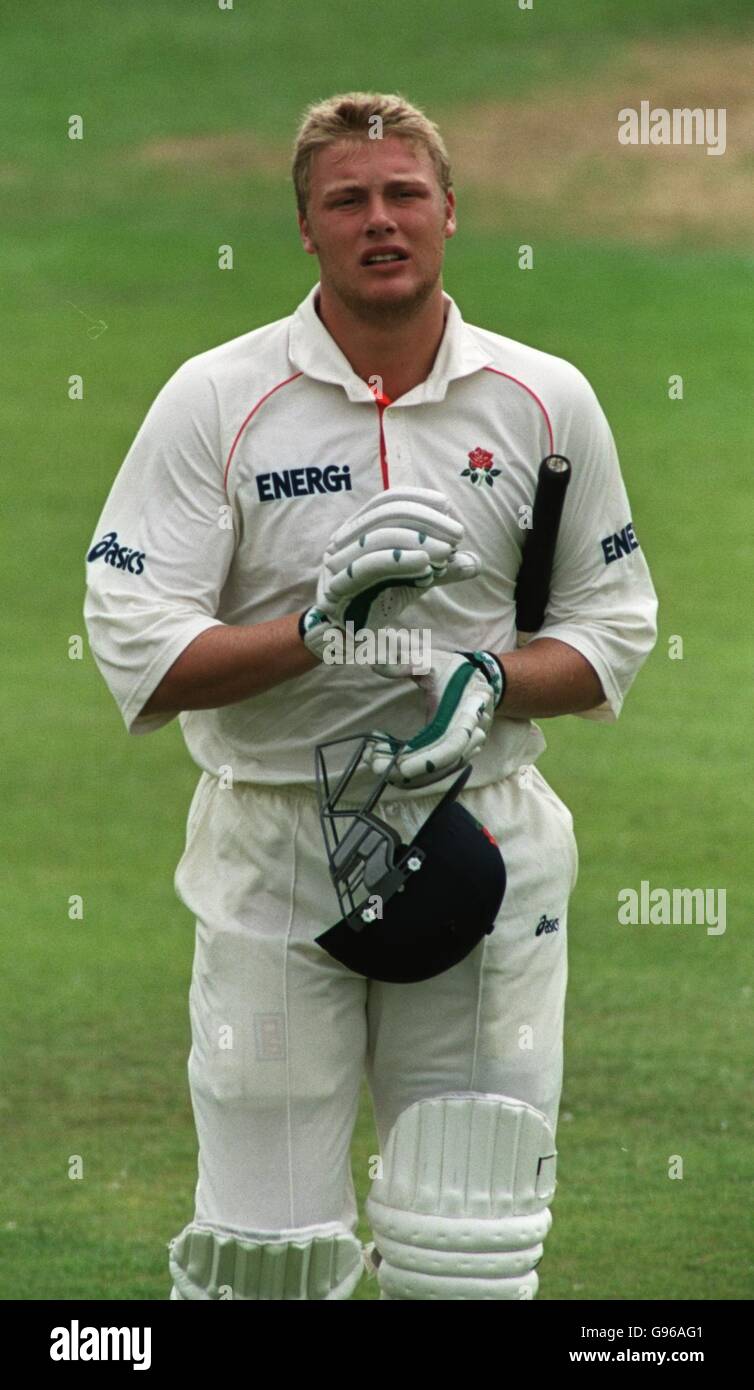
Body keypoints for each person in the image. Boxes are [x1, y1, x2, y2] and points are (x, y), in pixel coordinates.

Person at [83, 91, 658, 1301]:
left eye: (404, 194)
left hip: (483, 832)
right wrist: (316, 632)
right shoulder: (216, 400)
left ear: (450, 211)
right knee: (266, 1261)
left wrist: (485, 679)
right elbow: (137, 644)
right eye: (348, 200)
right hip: (277, 846)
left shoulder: (545, 400)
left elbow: (612, 630)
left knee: (468, 1241)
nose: (379, 220)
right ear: (305, 227)